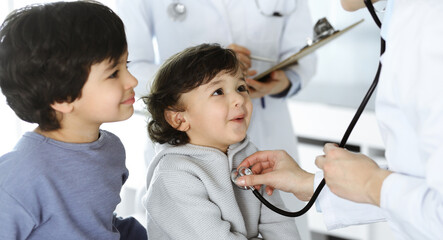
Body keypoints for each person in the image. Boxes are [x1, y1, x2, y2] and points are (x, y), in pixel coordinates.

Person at [235, 0, 443, 239]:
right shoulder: (411, 23)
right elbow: (421, 181)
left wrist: (371, 184)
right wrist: (309, 184)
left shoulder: (431, 30)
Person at [0, 1, 147, 239]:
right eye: (113, 73)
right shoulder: (20, 177)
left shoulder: (111, 148)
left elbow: (99, 223)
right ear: (62, 96)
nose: (132, 80)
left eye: (126, 65)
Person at [142, 43, 300, 239]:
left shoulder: (250, 155)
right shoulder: (173, 176)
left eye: (241, 87)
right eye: (218, 92)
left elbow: (280, 222)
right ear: (179, 119)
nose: (239, 99)